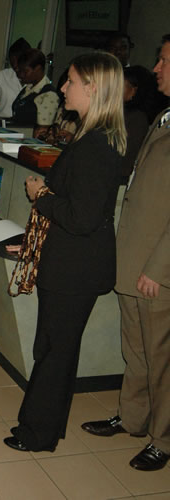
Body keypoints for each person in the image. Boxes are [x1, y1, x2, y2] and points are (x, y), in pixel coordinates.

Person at [3, 51, 127, 453]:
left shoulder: (96, 145)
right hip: (73, 264)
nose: (63, 87)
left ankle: (37, 434)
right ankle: (45, 426)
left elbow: (82, 217)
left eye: (70, 80)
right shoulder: (93, 135)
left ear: (91, 87)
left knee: (56, 352)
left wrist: (42, 196)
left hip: (77, 267)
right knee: (57, 348)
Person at [81, 34, 170, 472]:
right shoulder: (166, 113)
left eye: (165, 60)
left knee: (162, 359)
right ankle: (133, 418)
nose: (157, 68)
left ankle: (163, 437)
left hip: (158, 266)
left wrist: (159, 268)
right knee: (134, 350)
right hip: (134, 255)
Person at [11, 48, 60, 137]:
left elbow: (43, 133)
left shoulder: (48, 95)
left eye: (25, 71)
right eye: (20, 71)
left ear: (38, 69)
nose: (21, 75)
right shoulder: (28, 88)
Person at [121, 65, 155, 181]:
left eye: (120, 85)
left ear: (134, 90)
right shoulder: (119, 112)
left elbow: (127, 162)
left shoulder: (137, 119)